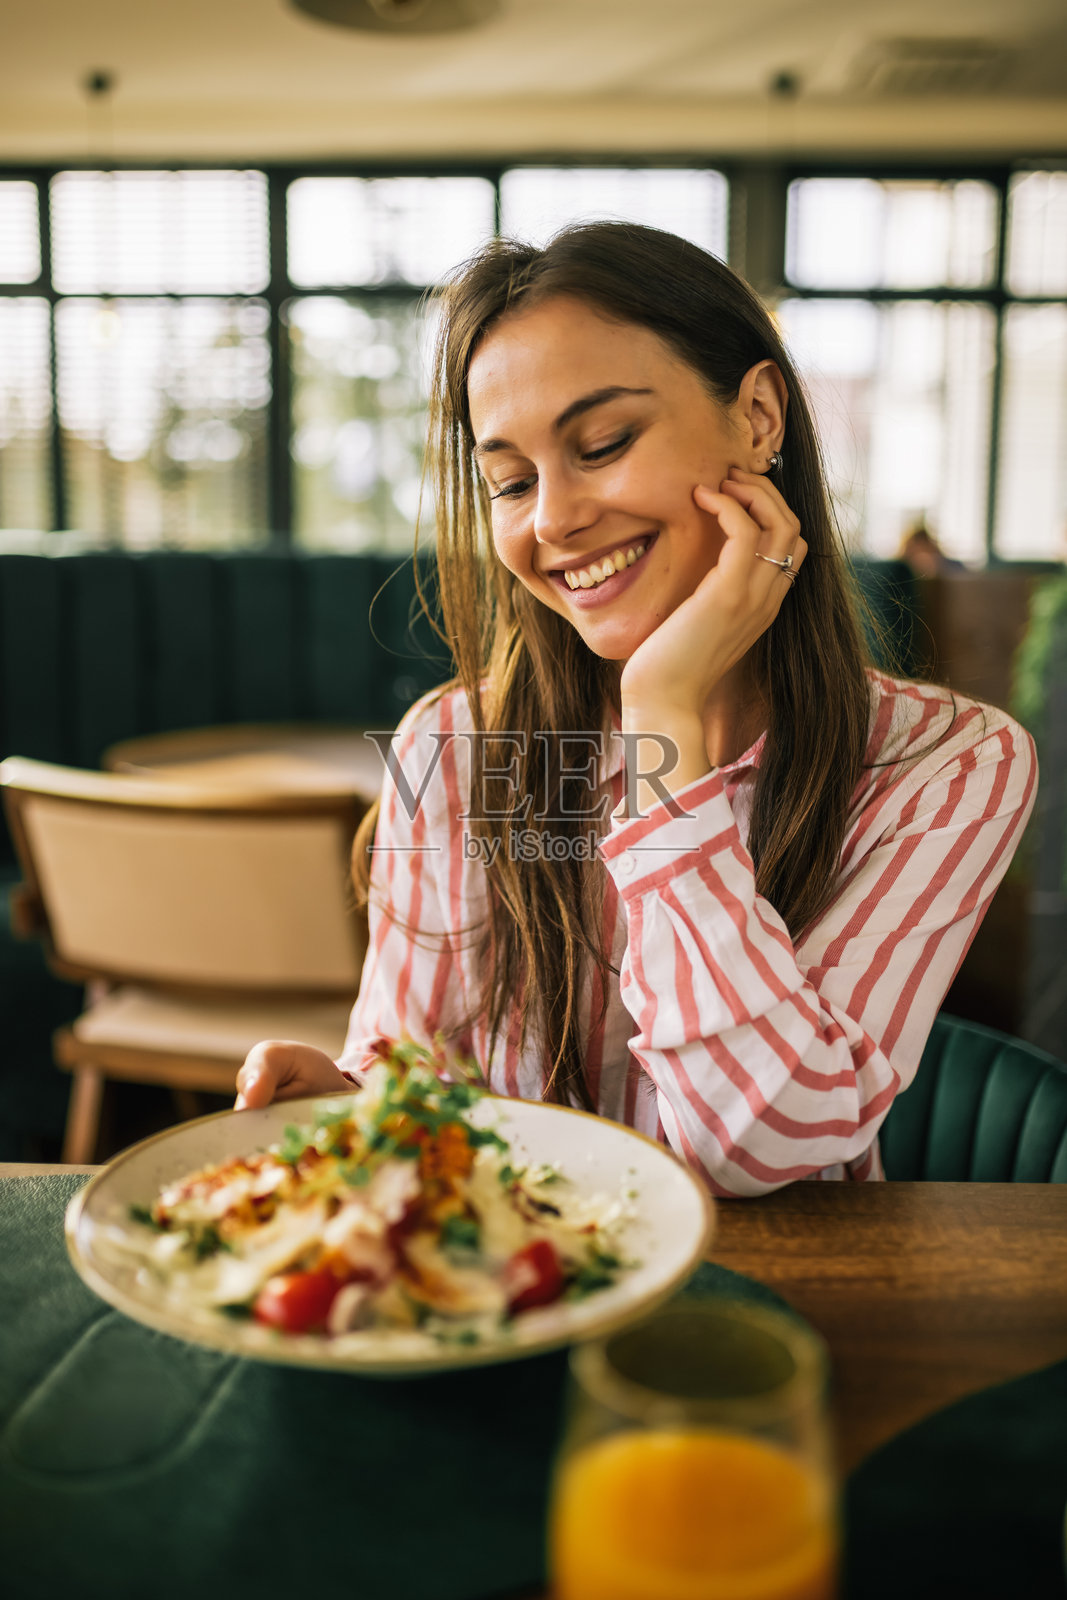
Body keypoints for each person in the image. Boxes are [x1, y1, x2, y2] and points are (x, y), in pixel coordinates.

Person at [235, 223, 1036, 1197]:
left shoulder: (948, 762)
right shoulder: (450, 745)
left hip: (768, 1315)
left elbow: (755, 1146)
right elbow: (411, 1074)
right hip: (501, 1296)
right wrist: (350, 1095)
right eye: (510, 481)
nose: (551, 520)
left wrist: (662, 711)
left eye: (603, 443)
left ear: (756, 416)